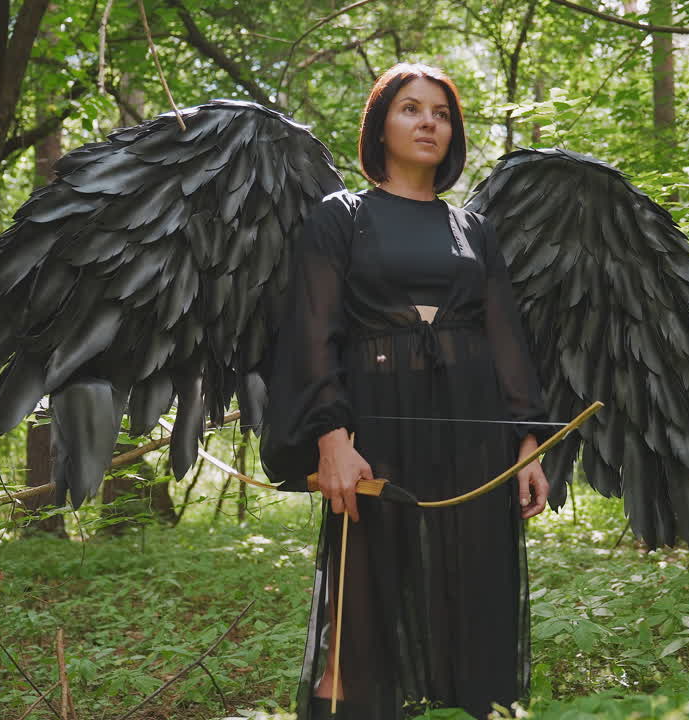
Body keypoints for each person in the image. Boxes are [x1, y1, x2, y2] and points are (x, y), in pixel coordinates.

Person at [260, 62, 554, 719]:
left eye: (441, 113)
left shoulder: (473, 229)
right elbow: (313, 331)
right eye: (411, 108)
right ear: (381, 125)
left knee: (473, 590)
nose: (428, 123)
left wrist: (527, 442)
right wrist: (332, 437)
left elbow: (506, 339)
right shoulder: (342, 216)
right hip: (374, 429)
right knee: (361, 602)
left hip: (472, 429)